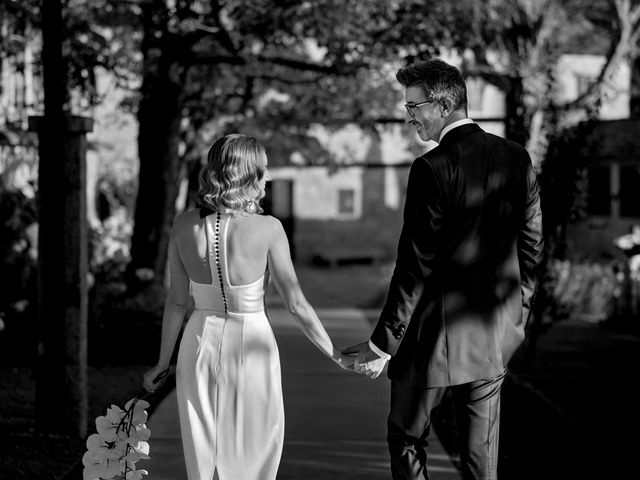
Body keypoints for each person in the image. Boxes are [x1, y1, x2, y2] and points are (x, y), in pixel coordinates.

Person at [343, 59, 544, 480]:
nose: (409, 117)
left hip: (428, 342)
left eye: (414, 107)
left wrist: (383, 344)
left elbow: (415, 264)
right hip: (493, 338)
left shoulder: (431, 168)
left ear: (444, 104)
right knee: (481, 459)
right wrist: (516, 319)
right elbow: (532, 248)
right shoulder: (516, 158)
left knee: (407, 439)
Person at [142, 134, 354, 480]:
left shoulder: (183, 225)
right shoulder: (269, 229)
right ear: (248, 174)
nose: (268, 177)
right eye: (264, 169)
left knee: (203, 446)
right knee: (254, 447)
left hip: (198, 344)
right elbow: (297, 304)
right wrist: (336, 354)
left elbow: (177, 301)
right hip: (252, 342)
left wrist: (162, 363)